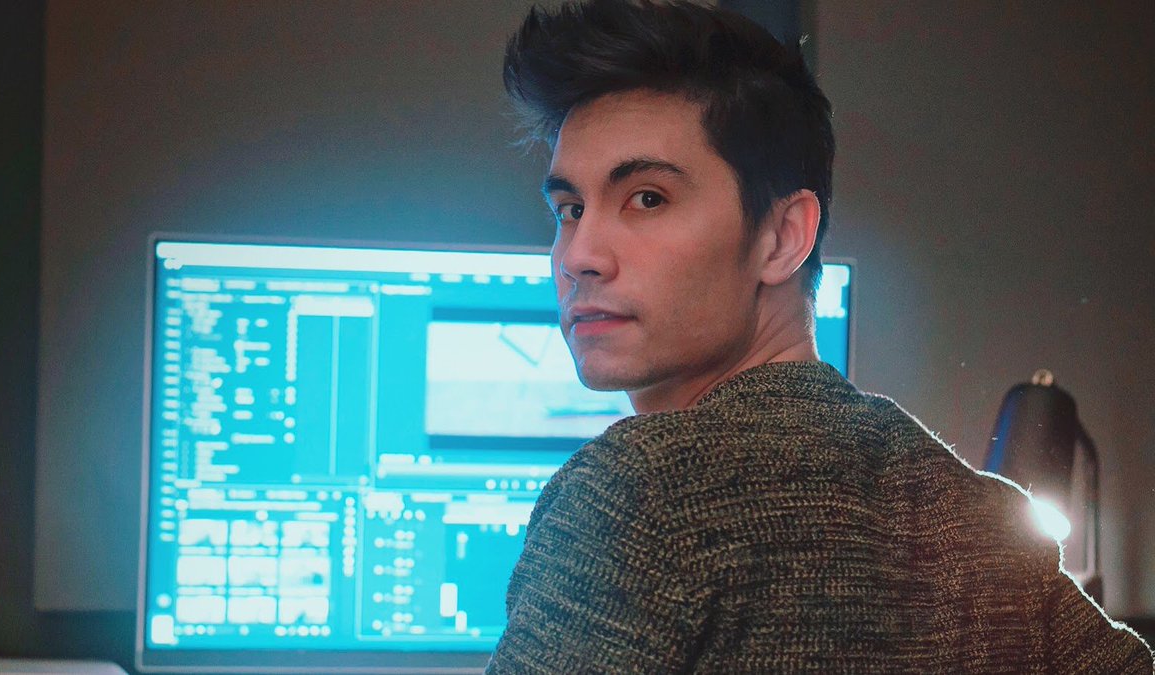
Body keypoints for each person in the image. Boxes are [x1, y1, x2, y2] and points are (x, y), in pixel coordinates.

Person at [484, 0, 1155, 672]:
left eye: (648, 199)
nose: (579, 255)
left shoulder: (638, 492)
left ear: (784, 237)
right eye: (570, 209)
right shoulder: (985, 521)